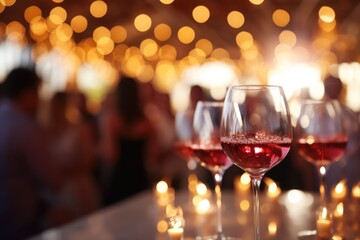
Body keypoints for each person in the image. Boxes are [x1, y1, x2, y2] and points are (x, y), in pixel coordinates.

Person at [0, 67, 63, 240]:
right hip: (19, 219)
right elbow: (52, 179)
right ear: (28, 93)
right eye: (37, 93)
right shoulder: (26, 127)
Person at [100, 76, 155, 205]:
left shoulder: (112, 121)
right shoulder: (147, 122)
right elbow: (152, 154)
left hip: (119, 179)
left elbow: (110, 155)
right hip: (140, 177)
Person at [45, 91, 101, 219]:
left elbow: (89, 161)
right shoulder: (46, 131)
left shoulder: (81, 129)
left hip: (76, 188)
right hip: (55, 189)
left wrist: (64, 170)